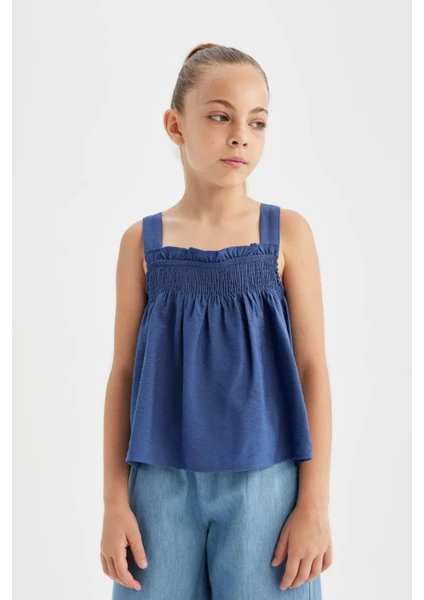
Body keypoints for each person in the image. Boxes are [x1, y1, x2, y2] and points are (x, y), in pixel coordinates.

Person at [100, 43, 332, 599]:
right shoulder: (141, 242)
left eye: (257, 122)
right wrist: (114, 502)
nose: (240, 137)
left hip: (267, 483)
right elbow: (123, 374)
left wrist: (313, 504)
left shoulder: (288, 234)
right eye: (220, 116)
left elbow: (312, 370)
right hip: (158, 489)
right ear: (175, 125)